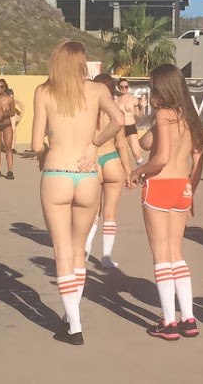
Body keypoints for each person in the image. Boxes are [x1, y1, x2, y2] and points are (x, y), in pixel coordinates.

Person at [32, 42, 124, 345]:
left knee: (62, 252)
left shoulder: (44, 91)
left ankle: (74, 324)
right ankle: (71, 315)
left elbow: (36, 144)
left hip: (57, 172)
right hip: (87, 175)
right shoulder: (97, 90)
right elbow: (118, 120)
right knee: (78, 250)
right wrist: (95, 145)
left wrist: (43, 155)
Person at [130, 64, 203, 341]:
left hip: (160, 186)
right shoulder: (188, 117)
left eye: (153, 88)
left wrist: (138, 171)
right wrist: (191, 191)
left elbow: (160, 157)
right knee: (177, 253)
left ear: (161, 89)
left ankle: (169, 322)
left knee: (161, 255)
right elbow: (197, 157)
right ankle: (188, 317)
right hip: (182, 187)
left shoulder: (164, 115)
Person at [85, 74, 132, 268]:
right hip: (112, 160)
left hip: (93, 161)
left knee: (92, 212)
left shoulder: (87, 111)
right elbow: (121, 145)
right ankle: (106, 257)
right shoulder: (116, 113)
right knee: (110, 213)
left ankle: (85, 248)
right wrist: (128, 171)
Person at [115, 78, 148, 165]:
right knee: (120, 154)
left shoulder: (134, 99)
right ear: (118, 88)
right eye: (122, 87)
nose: (124, 88)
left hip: (131, 127)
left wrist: (143, 107)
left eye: (126, 86)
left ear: (128, 87)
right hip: (119, 128)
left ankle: (142, 170)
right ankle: (125, 172)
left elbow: (139, 115)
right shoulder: (116, 101)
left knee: (137, 154)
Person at [7, 89, 25, 153]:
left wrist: (20, 116)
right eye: (9, 95)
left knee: (13, 130)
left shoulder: (15, 99)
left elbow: (23, 108)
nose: (11, 97)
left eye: (12, 95)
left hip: (14, 115)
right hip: (7, 115)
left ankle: (12, 147)